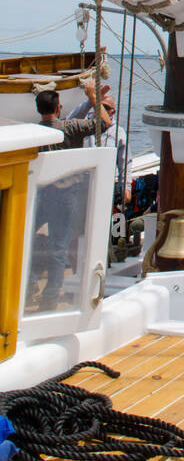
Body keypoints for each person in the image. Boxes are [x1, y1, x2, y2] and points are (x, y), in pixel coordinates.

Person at [30, 89, 112, 311]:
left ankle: (28, 288)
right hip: (65, 195)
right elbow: (104, 123)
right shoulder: (70, 128)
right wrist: (94, 97)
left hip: (40, 194)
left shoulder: (33, 133)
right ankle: (49, 300)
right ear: (59, 108)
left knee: (27, 242)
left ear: (38, 109)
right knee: (59, 249)